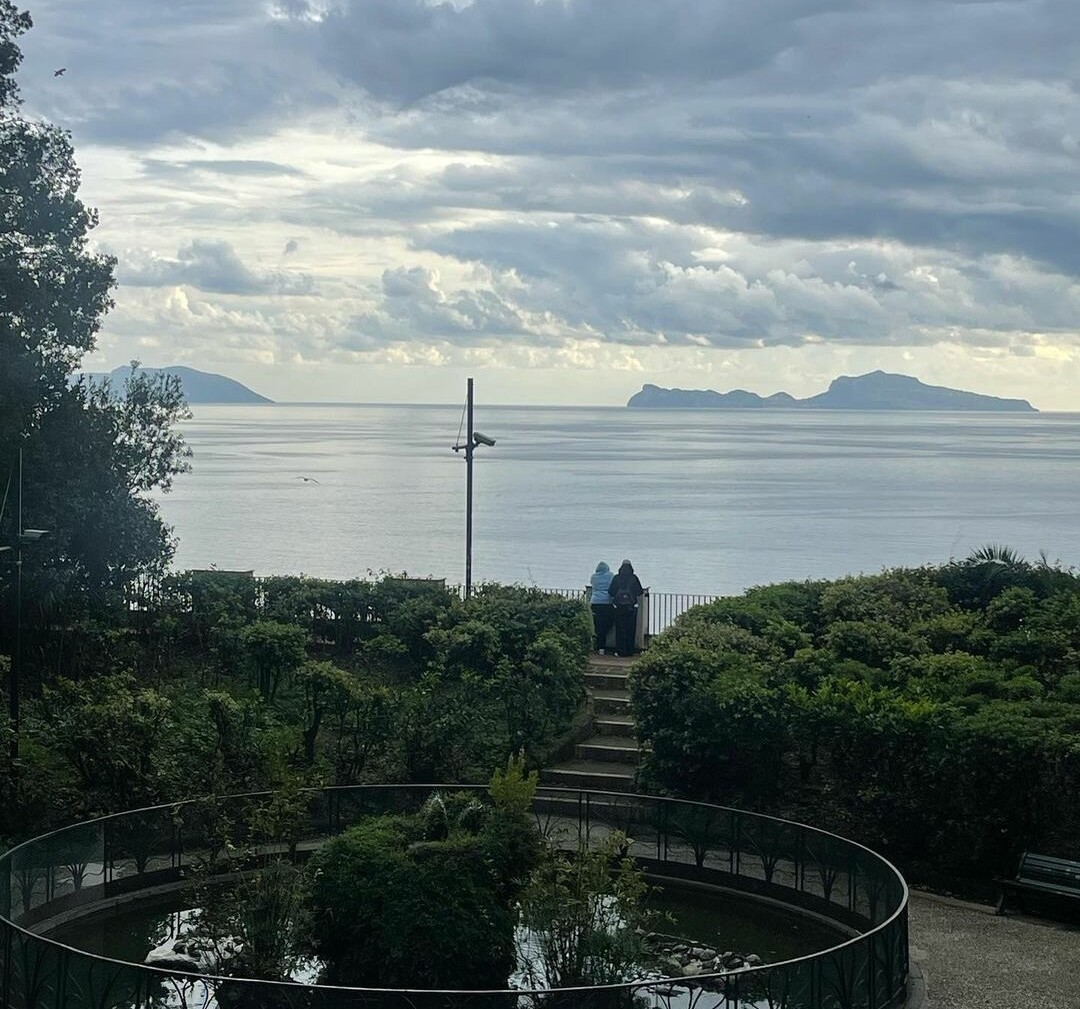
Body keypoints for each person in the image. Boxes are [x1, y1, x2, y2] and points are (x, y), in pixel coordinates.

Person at [607, 559, 644, 657]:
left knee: (620, 629)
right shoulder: (634, 578)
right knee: (631, 629)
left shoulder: (616, 578)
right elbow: (640, 592)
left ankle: (620, 651)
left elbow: (611, 592)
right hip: (631, 607)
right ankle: (629, 651)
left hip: (618, 607)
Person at [588, 561, 615, 654]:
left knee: (597, 624)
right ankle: (601, 646)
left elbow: (592, 586)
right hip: (607, 602)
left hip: (595, 602)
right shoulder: (611, 575)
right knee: (608, 623)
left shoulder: (593, 577)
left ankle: (598, 645)